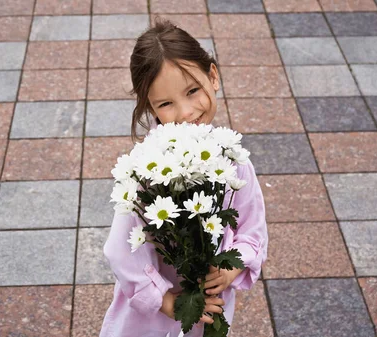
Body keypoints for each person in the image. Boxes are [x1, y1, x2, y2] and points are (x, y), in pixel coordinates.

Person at [100, 18, 268, 337]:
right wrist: (164, 301)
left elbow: (251, 227)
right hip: (151, 317)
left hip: (210, 304)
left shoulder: (233, 160)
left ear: (213, 76)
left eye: (192, 91)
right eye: (166, 104)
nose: (186, 112)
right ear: (150, 107)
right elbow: (121, 250)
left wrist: (233, 266)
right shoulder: (149, 170)